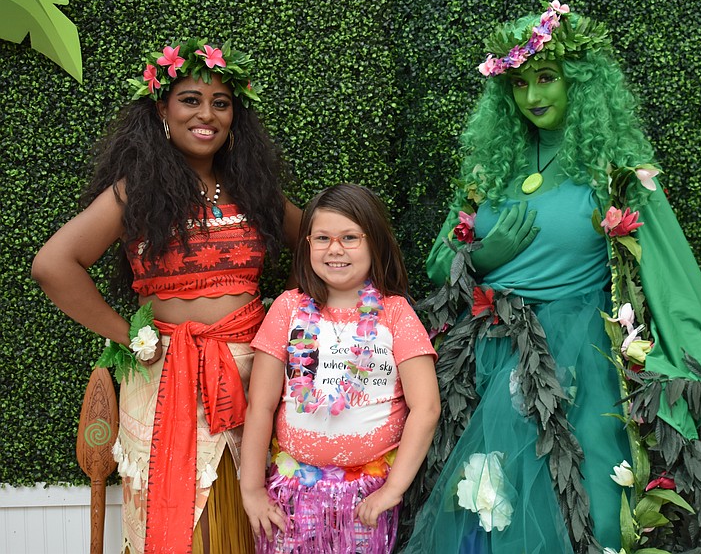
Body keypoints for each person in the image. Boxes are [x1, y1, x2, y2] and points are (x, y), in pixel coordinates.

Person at [402, 0, 701, 554]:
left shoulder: (614, 171)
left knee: (593, 514)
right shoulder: (490, 172)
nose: (533, 96)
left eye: (546, 78)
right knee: (488, 512)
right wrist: (485, 256)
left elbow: (669, 274)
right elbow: (442, 264)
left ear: (579, 82)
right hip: (489, 358)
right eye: (518, 84)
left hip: (581, 356)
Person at [31, 39, 301, 554]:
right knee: (178, 523)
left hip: (249, 378)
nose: (207, 115)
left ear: (234, 117)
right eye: (190, 100)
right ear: (162, 110)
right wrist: (129, 336)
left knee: (254, 520)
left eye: (221, 103)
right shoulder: (136, 191)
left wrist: (289, 315)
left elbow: (319, 244)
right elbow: (52, 266)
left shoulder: (254, 187)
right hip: (162, 379)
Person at [241, 183, 441, 553]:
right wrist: (252, 490)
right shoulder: (287, 309)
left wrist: (393, 490)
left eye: (350, 237)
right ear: (307, 246)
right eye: (322, 238)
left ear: (374, 243)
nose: (335, 249)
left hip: (369, 497)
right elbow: (261, 406)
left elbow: (426, 407)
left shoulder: (394, 313)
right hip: (291, 496)